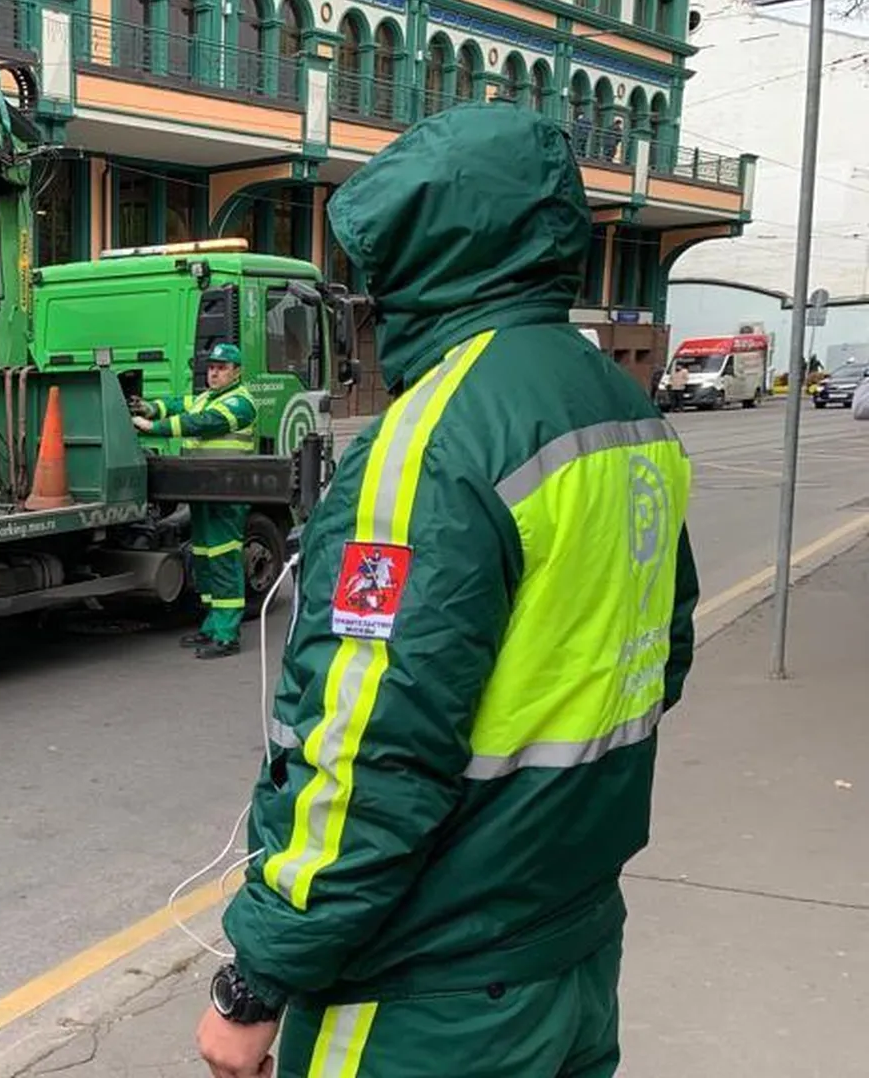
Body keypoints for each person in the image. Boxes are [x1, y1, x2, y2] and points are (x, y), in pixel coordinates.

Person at [196, 104, 698, 1078]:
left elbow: (368, 757)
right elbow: (659, 661)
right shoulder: (623, 413)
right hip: (568, 951)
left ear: (421, 261)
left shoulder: (432, 444)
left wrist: (256, 979)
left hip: (424, 994)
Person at [130, 342, 259, 659]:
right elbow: (180, 404)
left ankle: (227, 635)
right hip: (205, 491)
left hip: (227, 493)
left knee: (224, 559)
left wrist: (153, 427)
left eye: (222, 368)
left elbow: (201, 423)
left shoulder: (241, 403)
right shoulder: (206, 398)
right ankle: (212, 626)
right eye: (212, 367)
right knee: (204, 557)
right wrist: (151, 407)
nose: (214, 373)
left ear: (236, 371)